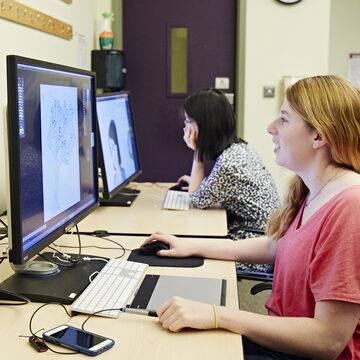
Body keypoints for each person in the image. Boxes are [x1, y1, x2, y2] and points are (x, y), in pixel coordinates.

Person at [144, 76, 360, 359]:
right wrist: (191, 246)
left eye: (283, 119)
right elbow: (275, 247)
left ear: (319, 137)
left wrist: (218, 315)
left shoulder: (349, 206)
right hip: (283, 337)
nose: (270, 127)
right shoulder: (316, 190)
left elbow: (328, 340)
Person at [177, 88, 279, 273]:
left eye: (187, 122)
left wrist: (197, 155)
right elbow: (213, 192)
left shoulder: (228, 164)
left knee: (188, 253)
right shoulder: (240, 148)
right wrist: (199, 184)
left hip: (254, 246)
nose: (184, 129)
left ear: (204, 125)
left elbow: (196, 201)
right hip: (262, 237)